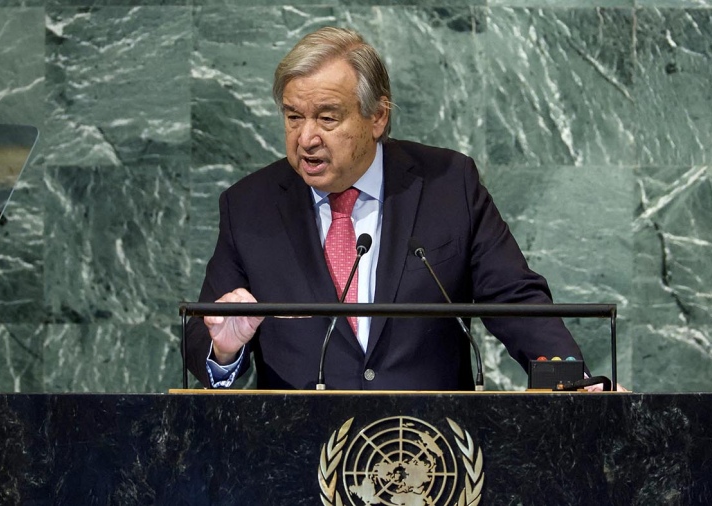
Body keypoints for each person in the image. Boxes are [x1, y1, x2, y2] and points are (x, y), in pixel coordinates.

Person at [183, 26, 587, 390]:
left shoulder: (447, 185)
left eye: (327, 118)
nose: (306, 138)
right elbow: (205, 338)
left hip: (434, 451)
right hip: (299, 453)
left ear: (376, 116)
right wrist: (225, 349)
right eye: (293, 117)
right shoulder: (249, 206)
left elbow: (514, 299)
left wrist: (573, 382)